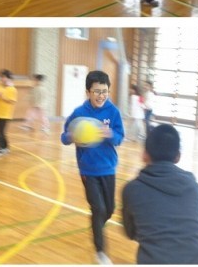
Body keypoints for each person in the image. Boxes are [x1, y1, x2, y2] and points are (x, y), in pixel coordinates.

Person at [122, 124, 198, 264]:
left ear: (144, 155)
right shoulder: (194, 187)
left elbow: (131, 233)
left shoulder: (132, 189)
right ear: (178, 156)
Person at [60, 70, 125, 265]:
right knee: (98, 208)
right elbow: (64, 137)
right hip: (88, 170)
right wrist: (71, 136)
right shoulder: (79, 113)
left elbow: (120, 138)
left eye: (104, 91)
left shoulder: (113, 112)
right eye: (97, 91)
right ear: (88, 92)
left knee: (109, 210)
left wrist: (109, 134)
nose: (101, 95)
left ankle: (96, 225)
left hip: (108, 168)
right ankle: (100, 251)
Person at [0, 69, 17, 156]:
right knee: (1, 132)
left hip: (6, 114)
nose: (2, 78)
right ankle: (6, 147)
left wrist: (3, 96)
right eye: (1, 77)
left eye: (3, 77)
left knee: (0, 132)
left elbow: (12, 101)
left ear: (8, 77)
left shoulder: (12, 89)